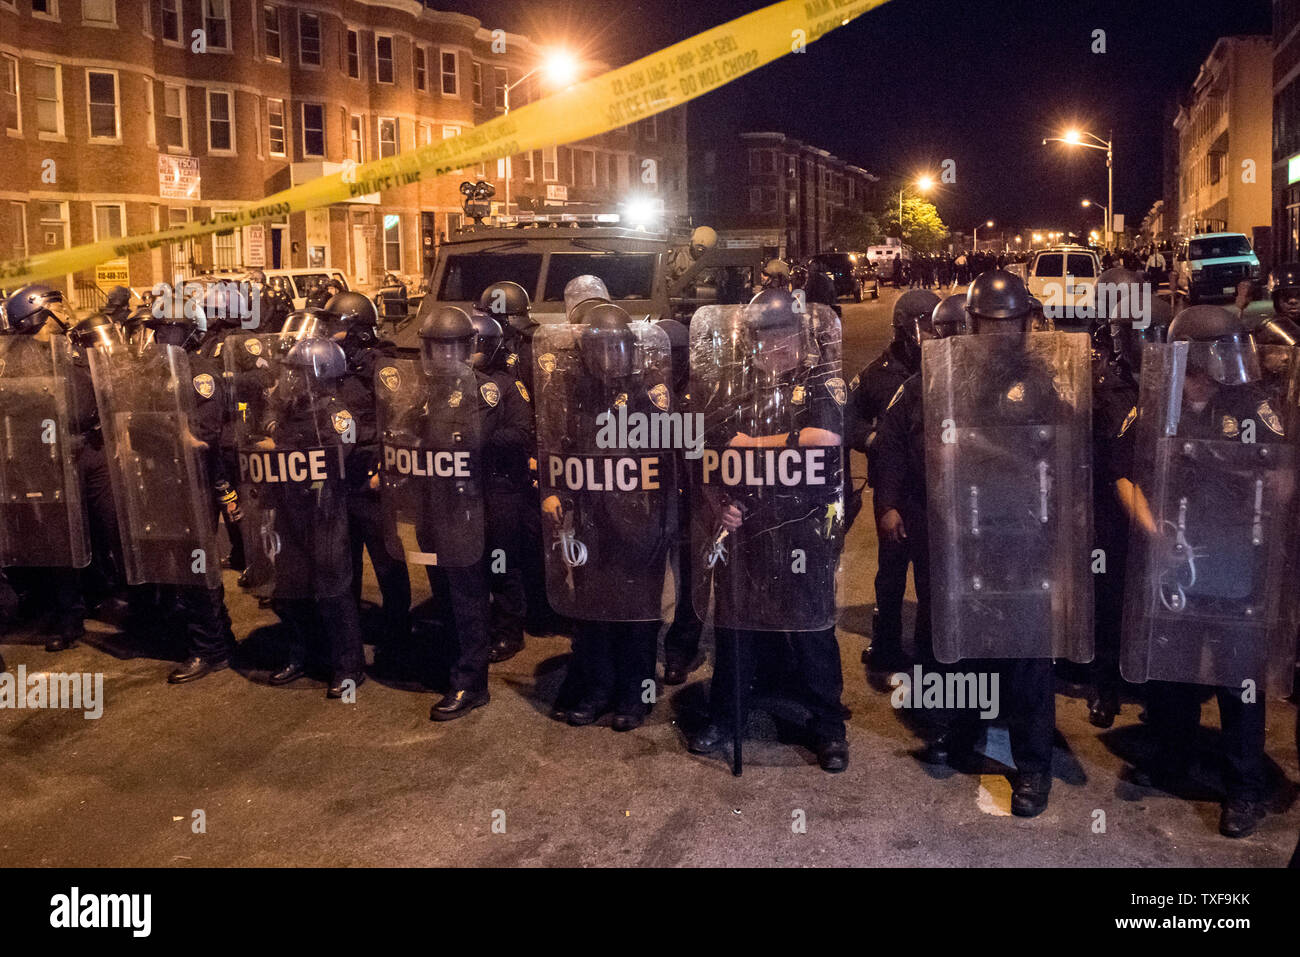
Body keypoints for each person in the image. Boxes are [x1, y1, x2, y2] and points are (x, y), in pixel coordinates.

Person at [911, 270, 1093, 816]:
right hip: (969, 526)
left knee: (1029, 656)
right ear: (972, 323)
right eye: (989, 323)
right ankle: (962, 729)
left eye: (1008, 323)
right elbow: (930, 442)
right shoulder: (951, 376)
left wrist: (982, 451)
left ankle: (1033, 768)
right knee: (971, 639)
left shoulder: (1040, 378)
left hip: (1027, 531)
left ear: (1025, 323)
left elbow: (1061, 453)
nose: (998, 333)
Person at [1118, 304, 1292, 838]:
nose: (1224, 361)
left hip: (1240, 564)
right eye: (1214, 351)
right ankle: (1174, 758)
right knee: (1174, 670)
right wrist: (1154, 533)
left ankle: (1245, 788)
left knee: (1239, 679)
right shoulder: (1155, 406)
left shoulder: (1254, 404)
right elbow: (1126, 478)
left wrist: (1244, 481)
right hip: (1177, 562)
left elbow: (1285, 478)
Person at [686, 290, 849, 772]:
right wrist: (718, 505)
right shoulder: (734, 389)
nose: (772, 343)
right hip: (747, 525)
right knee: (735, 628)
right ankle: (725, 716)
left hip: (804, 524)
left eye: (781, 333)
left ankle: (827, 726)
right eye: (763, 334)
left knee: (812, 628)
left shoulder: (822, 381)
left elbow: (829, 437)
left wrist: (758, 442)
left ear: (798, 334)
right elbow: (708, 457)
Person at [535, 305, 675, 730]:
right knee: (593, 611)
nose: (606, 357)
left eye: (613, 348)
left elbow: (670, 459)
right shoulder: (578, 390)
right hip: (591, 521)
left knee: (637, 613)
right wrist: (556, 492)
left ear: (629, 349)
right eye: (597, 349)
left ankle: (634, 696)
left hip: (640, 520)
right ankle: (597, 690)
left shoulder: (650, 393)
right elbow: (560, 447)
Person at [85, 303, 236, 683]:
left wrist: (160, 430)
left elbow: (201, 437)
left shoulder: (201, 373)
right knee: (179, 566)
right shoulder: (157, 372)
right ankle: (216, 639)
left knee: (196, 567)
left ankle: (210, 650)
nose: (154, 336)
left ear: (185, 331)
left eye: (163, 329)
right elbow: (135, 423)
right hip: (162, 480)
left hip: (193, 483)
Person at [234, 337, 364, 698]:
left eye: (301, 373)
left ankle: (348, 665)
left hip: (324, 509)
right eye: (293, 373)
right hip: (286, 505)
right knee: (290, 585)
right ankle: (302, 653)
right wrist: (275, 426)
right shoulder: (290, 404)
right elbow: (267, 415)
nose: (293, 379)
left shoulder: (337, 413)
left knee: (333, 589)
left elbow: (338, 452)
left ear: (322, 374)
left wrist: (282, 446)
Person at [847, 289, 938, 671]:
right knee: (891, 574)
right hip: (892, 488)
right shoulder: (877, 374)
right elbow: (846, 418)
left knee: (933, 578)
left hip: (932, 489)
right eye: (922, 327)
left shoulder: (946, 366)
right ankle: (886, 645)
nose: (928, 335)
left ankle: (930, 651)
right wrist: (871, 440)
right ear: (901, 330)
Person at [321, 291, 413, 667]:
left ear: (359, 330)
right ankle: (348, 640)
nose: (329, 335)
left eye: (336, 328)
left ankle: (397, 637)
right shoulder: (327, 365)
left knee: (389, 562)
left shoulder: (382, 367)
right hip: (338, 480)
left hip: (372, 482)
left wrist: (385, 468)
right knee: (344, 565)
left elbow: (401, 421)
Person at [468, 308, 537, 664]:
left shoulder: (509, 386)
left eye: (475, 345)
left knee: (501, 560)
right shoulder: (455, 383)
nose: (469, 352)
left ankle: (510, 630)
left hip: (500, 484)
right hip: (465, 485)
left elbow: (521, 434)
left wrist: (479, 438)